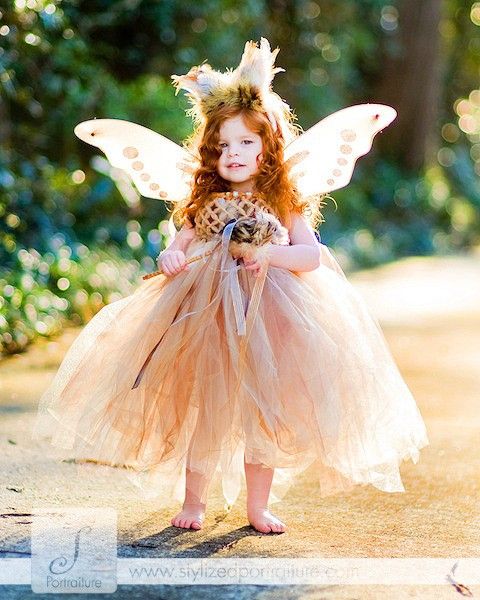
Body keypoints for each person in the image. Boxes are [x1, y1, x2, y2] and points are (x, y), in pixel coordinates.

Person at [32, 38, 429, 535]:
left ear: (267, 146)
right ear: (209, 150)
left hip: (273, 314)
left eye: (246, 143)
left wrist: (268, 254)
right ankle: (194, 502)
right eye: (223, 145)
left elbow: (310, 257)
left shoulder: (283, 199)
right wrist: (173, 256)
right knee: (209, 408)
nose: (234, 153)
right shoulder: (204, 200)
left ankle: (257, 508)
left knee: (264, 412)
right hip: (207, 316)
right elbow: (178, 244)